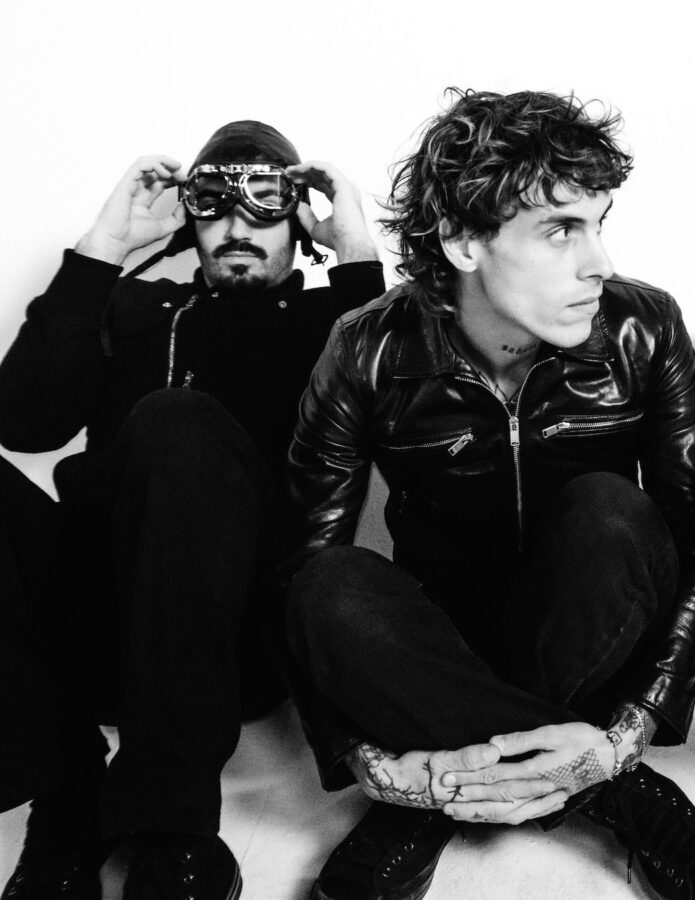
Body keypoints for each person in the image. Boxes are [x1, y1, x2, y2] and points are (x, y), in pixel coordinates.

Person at [282, 88, 695, 900]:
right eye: (561, 230)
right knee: (327, 586)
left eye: (599, 224)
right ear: (464, 241)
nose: (599, 263)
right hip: (438, 646)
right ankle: (616, 794)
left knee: (611, 510)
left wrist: (631, 725)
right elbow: (301, 563)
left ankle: (450, 786)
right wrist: (367, 759)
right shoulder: (366, 349)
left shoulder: (645, 327)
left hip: (593, 626)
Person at [0, 121, 383, 900]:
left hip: (233, 633)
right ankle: (66, 796)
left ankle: (175, 831)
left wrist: (355, 255)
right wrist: (105, 246)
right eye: (215, 204)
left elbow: (398, 415)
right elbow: (23, 421)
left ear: (298, 218)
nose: (238, 225)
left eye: (265, 202)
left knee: (175, 422)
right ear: (189, 217)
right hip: (95, 627)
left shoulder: (332, 325)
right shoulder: (134, 307)